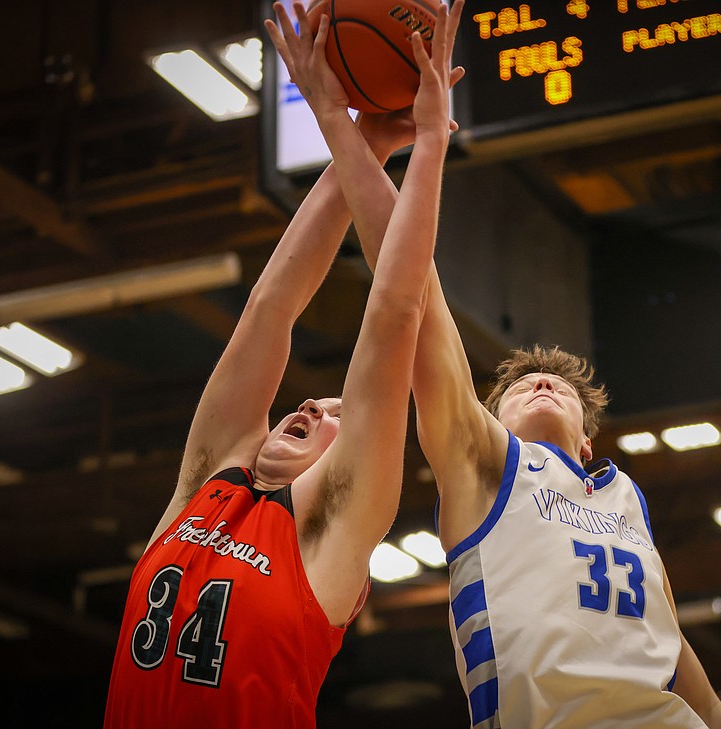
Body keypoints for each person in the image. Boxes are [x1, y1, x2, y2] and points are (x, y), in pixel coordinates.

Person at [320, 31, 721, 729]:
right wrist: (346, 127)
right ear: (489, 421)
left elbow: (700, 695)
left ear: (587, 443)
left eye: (562, 390)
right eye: (521, 388)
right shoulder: (485, 466)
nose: (543, 386)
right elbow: (411, 295)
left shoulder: (626, 506)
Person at [102, 1, 463, 725]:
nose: (311, 406)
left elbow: (395, 312)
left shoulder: (333, 527)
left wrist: (427, 142)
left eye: (335, 413)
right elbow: (272, 303)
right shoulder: (206, 481)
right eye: (311, 402)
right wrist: (356, 138)